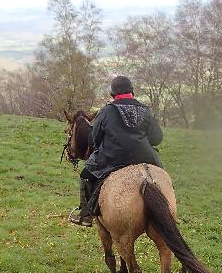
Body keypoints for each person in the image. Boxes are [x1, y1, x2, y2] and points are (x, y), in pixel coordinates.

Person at [69, 76, 164, 227]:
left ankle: (86, 215)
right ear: (132, 91)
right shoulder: (145, 110)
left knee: (85, 176)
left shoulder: (106, 111)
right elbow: (157, 138)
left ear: (112, 94)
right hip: (145, 158)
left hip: (112, 159)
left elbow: (94, 139)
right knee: (162, 179)